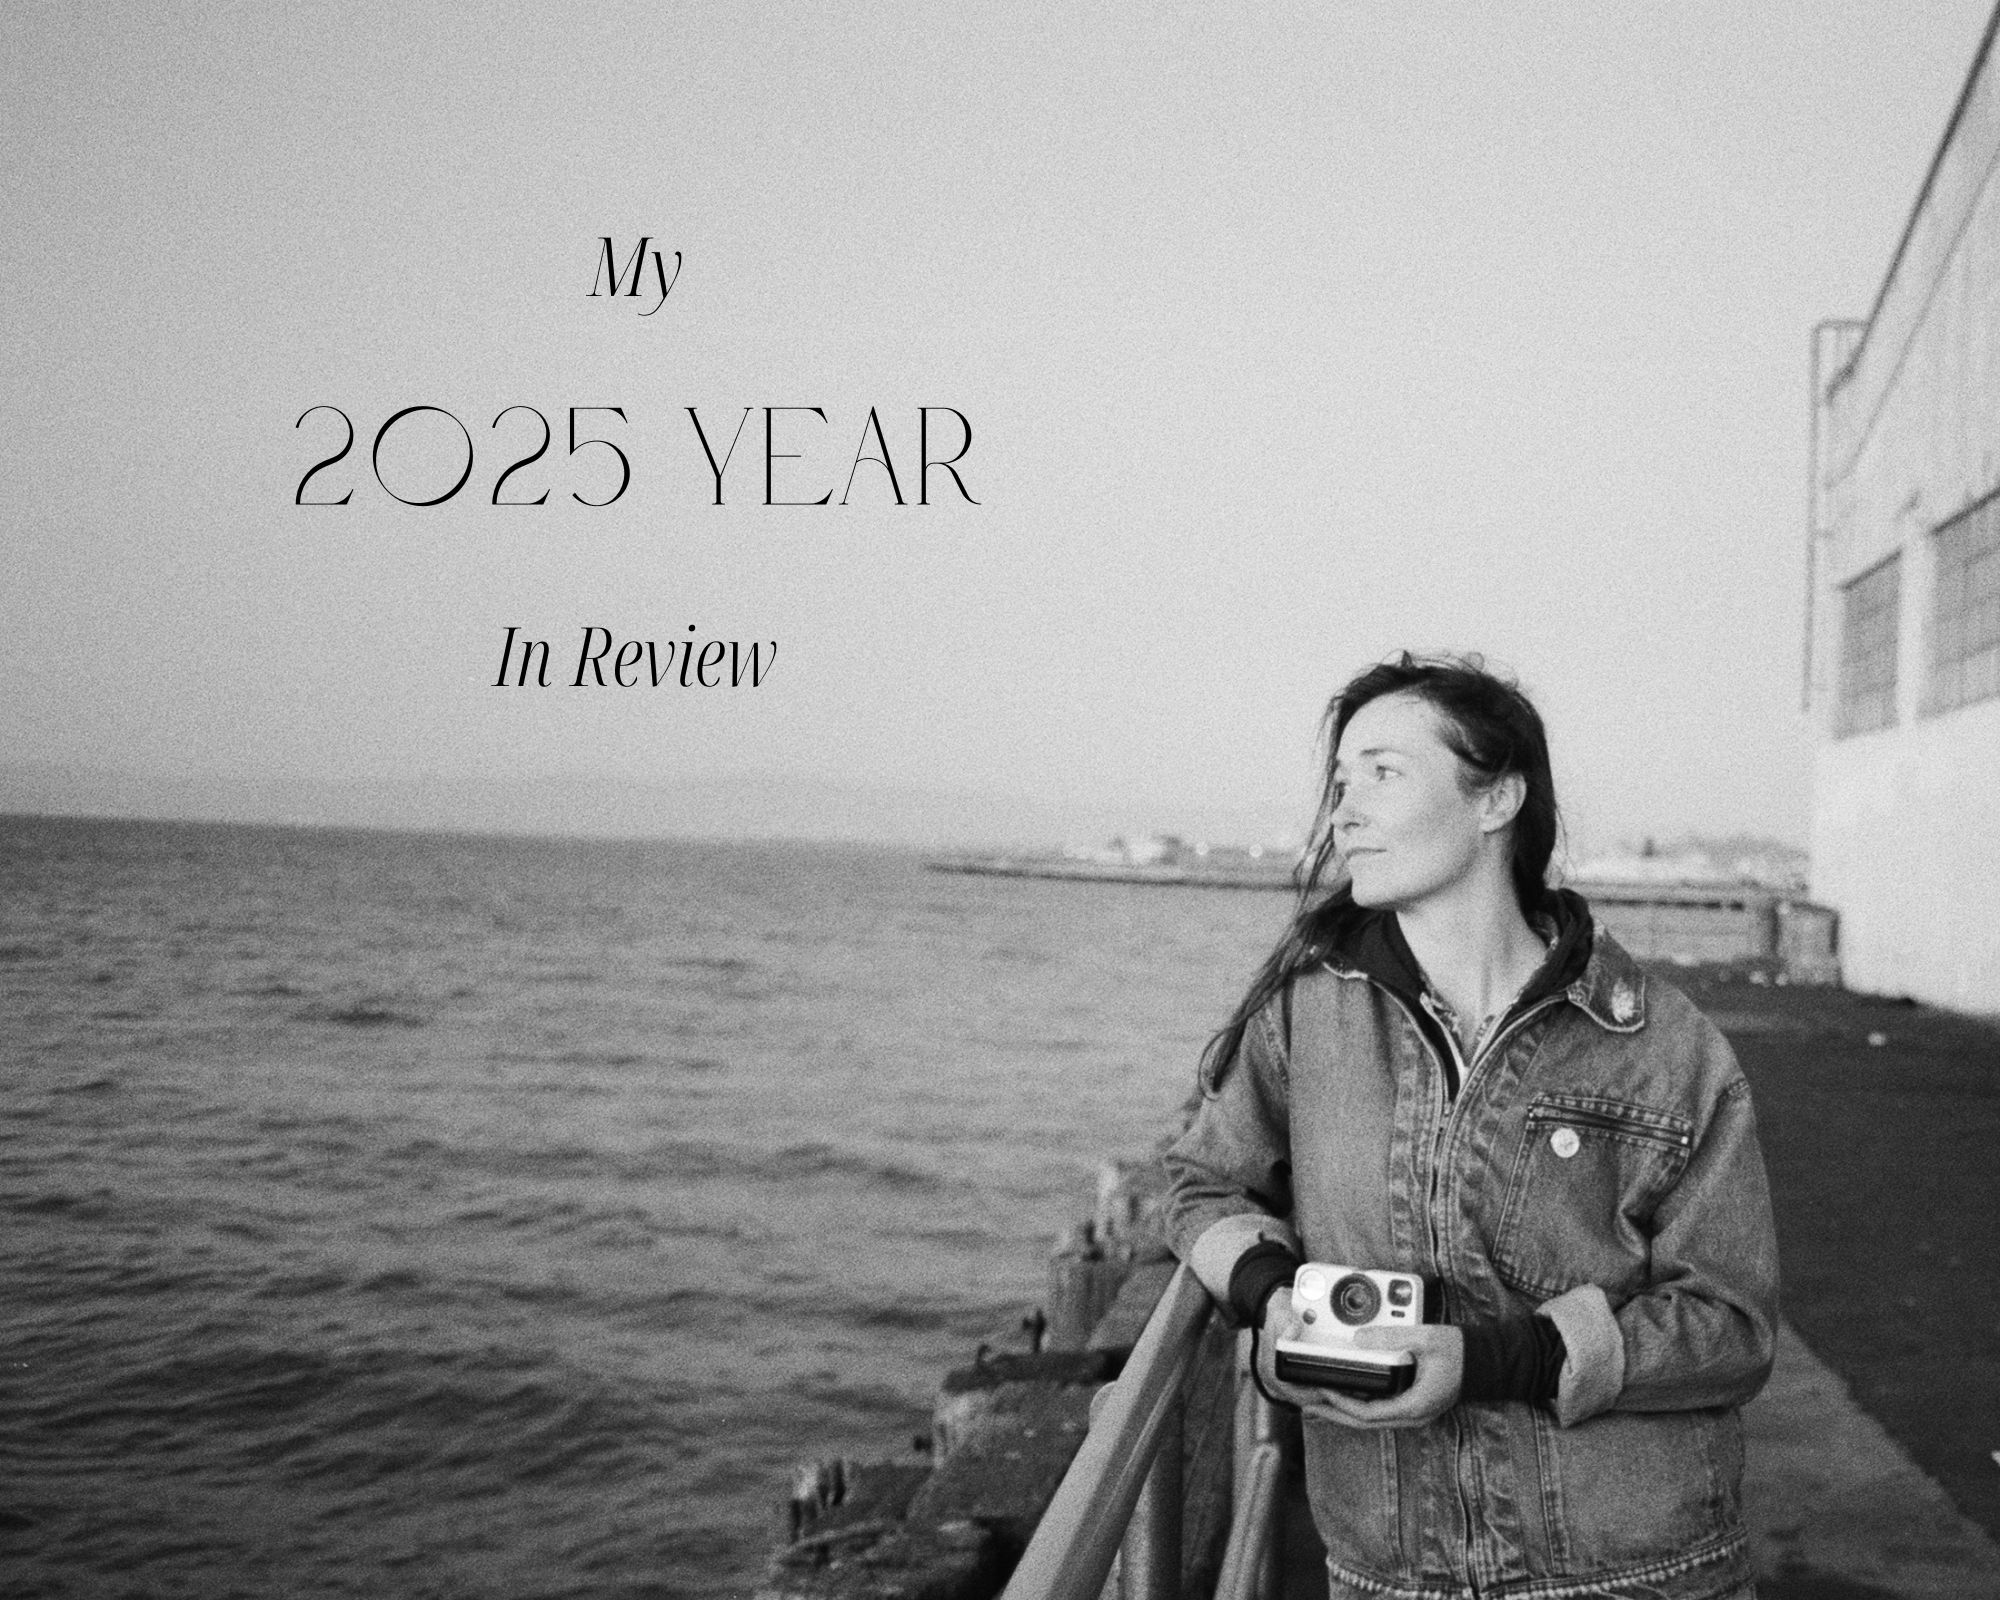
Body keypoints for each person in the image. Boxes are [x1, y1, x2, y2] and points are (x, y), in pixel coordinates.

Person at [1164, 652, 1778, 1600]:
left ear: (1496, 801)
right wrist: (1270, 1293)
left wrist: (1500, 1361)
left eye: (1383, 773)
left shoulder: (1663, 1044)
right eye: (1340, 783)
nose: (1344, 813)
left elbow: (1731, 1325)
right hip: (1392, 1572)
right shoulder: (1304, 1019)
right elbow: (1203, 1183)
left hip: (1636, 1571)